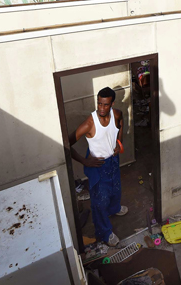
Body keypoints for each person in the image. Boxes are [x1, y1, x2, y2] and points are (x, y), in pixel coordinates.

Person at [70, 87, 128, 246]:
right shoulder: (90, 122)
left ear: (112, 104)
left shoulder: (116, 114)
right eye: (99, 104)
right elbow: (66, 144)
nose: (101, 108)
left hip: (113, 162)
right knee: (99, 202)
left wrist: (119, 142)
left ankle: (114, 208)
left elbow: (120, 122)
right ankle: (105, 232)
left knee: (116, 189)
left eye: (105, 105)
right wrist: (84, 160)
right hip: (98, 166)